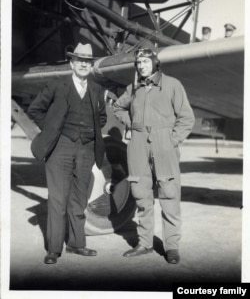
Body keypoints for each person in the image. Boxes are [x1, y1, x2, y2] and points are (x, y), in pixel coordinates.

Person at [113, 47, 195, 264]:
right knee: (141, 194)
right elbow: (117, 107)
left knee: (169, 195)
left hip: (164, 144)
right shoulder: (133, 88)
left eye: (145, 62)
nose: (141, 66)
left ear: (155, 63)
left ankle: (172, 247)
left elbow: (187, 118)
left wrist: (171, 141)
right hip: (138, 144)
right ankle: (145, 243)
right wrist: (131, 123)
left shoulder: (172, 85)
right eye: (138, 62)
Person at [28, 43, 107, 264]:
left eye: (88, 61)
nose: (84, 64)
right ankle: (54, 249)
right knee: (57, 199)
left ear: (91, 66)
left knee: (79, 199)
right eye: (79, 60)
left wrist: (90, 135)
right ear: (72, 63)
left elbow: (101, 117)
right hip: (60, 148)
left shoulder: (96, 89)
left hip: (86, 150)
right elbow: (36, 110)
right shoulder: (57, 85)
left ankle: (76, 244)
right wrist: (54, 129)